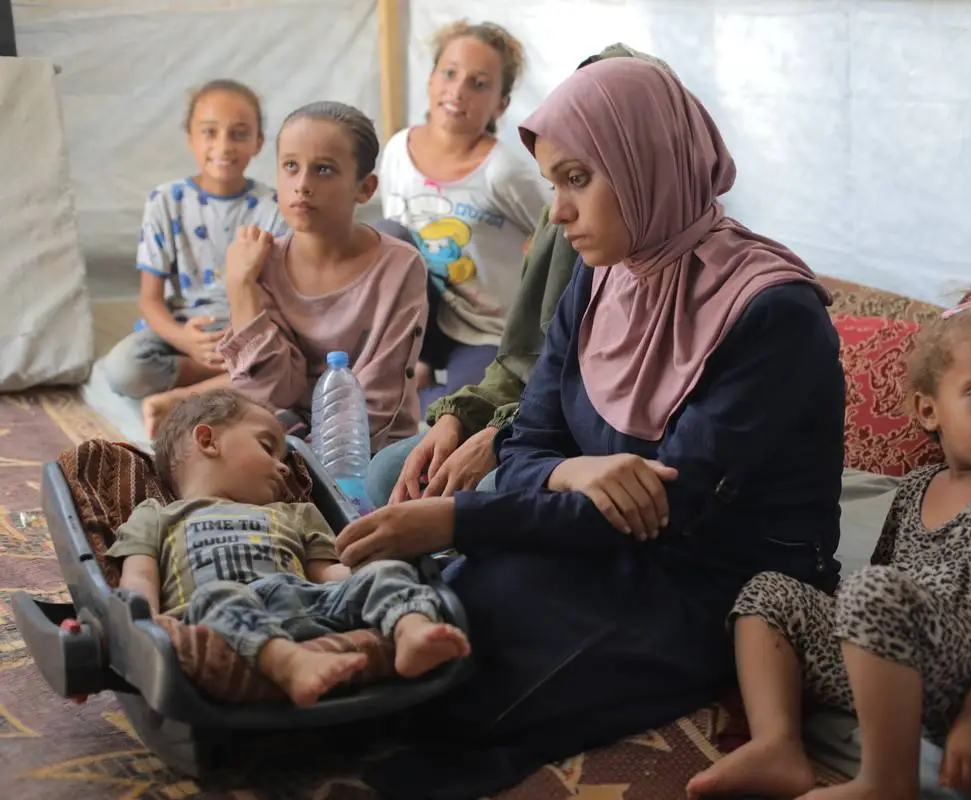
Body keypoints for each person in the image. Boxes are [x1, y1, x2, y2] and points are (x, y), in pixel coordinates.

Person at [330, 57, 845, 797]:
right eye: (553, 185)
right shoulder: (605, 276)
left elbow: (668, 508)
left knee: (462, 700)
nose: (560, 212)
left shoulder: (771, 314)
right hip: (598, 539)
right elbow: (533, 440)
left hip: (718, 586)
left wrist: (455, 517)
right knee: (432, 617)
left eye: (578, 180)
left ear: (646, 164)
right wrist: (573, 470)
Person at [689, 299, 971, 800]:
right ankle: (777, 744)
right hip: (905, 668)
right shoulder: (916, 488)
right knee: (770, 590)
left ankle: (886, 782)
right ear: (928, 409)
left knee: (873, 591)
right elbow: (872, 600)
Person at [365, 43, 673, 507]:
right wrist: (462, 417)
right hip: (532, 416)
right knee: (389, 472)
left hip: (589, 442)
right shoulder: (562, 224)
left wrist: (499, 437)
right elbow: (522, 359)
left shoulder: (674, 257)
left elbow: (602, 401)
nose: (561, 210)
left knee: (478, 495)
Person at [107, 389, 470, 707]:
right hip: (219, 619)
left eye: (283, 456)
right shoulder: (156, 516)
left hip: (304, 602)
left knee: (385, 571)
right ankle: (292, 664)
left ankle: (413, 631)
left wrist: (374, 568)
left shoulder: (296, 513)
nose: (283, 468)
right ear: (207, 441)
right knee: (217, 596)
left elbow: (328, 574)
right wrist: (146, 626)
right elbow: (138, 580)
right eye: (267, 447)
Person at [212, 101, 427, 452]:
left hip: (370, 442)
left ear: (365, 188)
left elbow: (379, 399)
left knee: (388, 477)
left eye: (324, 170)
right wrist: (241, 287)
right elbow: (270, 392)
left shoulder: (400, 267)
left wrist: (312, 461)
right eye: (291, 167)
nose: (302, 185)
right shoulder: (262, 263)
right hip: (284, 432)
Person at [376, 19, 549, 412]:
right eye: (449, 73)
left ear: (501, 104)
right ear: (431, 78)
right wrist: (414, 354)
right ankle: (415, 366)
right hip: (420, 320)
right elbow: (394, 254)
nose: (457, 91)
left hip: (483, 329)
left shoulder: (506, 172)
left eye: (479, 83)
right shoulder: (397, 151)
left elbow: (559, 227)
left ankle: (428, 395)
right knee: (388, 234)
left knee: (461, 413)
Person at [101, 79, 290, 436]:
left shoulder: (273, 207)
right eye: (209, 132)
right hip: (183, 333)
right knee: (123, 369)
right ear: (190, 138)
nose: (223, 146)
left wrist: (241, 339)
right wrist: (185, 340)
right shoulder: (165, 201)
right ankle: (230, 374)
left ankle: (218, 377)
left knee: (293, 359)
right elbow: (149, 299)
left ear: (258, 142)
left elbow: (280, 298)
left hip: (249, 327)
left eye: (238, 134)